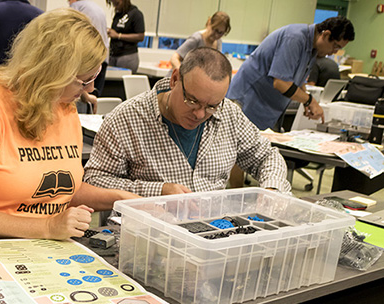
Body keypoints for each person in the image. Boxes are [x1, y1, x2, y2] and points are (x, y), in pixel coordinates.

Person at [0, 8, 138, 245]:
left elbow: (61, 190)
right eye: (84, 79)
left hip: (30, 249)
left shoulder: (63, 107)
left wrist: (121, 198)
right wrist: (46, 226)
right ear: (52, 71)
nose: (89, 89)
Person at [83, 47, 291, 196]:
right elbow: (94, 181)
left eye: (211, 106)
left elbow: (266, 156)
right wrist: (157, 190)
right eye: (192, 101)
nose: (200, 114)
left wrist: (272, 189)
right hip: (148, 233)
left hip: (210, 234)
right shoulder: (126, 119)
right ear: (175, 79)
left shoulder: (229, 114)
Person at [227, 16, 355, 130]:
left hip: (266, 109)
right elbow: (281, 83)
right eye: (335, 46)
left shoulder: (313, 49)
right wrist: (310, 101)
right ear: (326, 35)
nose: (334, 52)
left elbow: (298, 81)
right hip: (247, 103)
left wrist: (305, 101)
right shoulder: (294, 38)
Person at [69, 0, 108, 97]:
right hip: (102, 57)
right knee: (94, 95)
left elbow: (68, 33)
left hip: (88, 58)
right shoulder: (97, 7)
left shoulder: (75, 7)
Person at [106, 0, 145, 74]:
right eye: (113, 4)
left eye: (117, 3)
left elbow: (140, 36)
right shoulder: (118, 14)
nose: (115, 6)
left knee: (122, 84)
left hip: (127, 56)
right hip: (114, 55)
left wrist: (118, 36)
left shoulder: (136, 14)